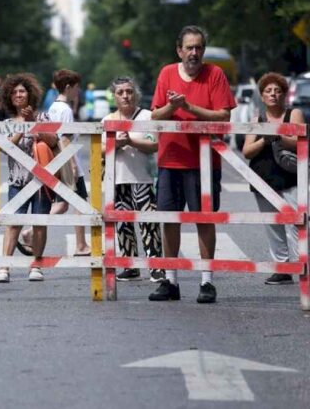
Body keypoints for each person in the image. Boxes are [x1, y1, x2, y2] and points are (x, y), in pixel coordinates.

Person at [149, 25, 235, 304]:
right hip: (170, 159)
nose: (194, 52)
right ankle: (170, 280)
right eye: (189, 47)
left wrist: (189, 107)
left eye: (199, 47)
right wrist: (173, 108)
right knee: (170, 220)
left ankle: (206, 281)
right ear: (179, 50)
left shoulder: (215, 74)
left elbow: (223, 116)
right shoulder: (166, 73)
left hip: (205, 161)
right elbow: (156, 115)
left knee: (204, 219)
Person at [0, 73, 58, 284]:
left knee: (40, 224)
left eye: (22, 91)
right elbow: (6, 148)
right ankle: (4, 267)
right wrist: (22, 127)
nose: (18, 95)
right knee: (13, 224)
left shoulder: (44, 117)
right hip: (17, 181)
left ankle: (37, 265)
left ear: (30, 94)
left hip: (41, 180)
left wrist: (34, 123)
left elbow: (53, 141)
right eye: (14, 92)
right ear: (9, 97)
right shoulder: (7, 122)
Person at [243, 73, 303, 285]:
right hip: (263, 178)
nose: (273, 95)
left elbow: (299, 142)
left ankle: (303, 264)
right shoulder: (256, 119)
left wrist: (277, 135)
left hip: (292, 175)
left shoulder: (294, 114)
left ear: (284, 94)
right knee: (273, 224)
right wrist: (263, 140)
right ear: (262, 95)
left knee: (299, 221)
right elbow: (247, 151)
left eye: (277, 91)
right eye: (268, 91)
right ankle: (282, 268)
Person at [101, 76, 163, 282]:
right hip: (117, 179)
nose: (125, 96)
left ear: (135, 93)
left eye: (129, 91)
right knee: (123, 223)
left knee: (148, 221)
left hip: (143, 177)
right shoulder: (108, 120)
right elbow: (100, 149)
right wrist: (116, 144)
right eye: (120, 93)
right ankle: (130, 264)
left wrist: (130, 140)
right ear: (114, 96)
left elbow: (154, 144)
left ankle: (155, 265)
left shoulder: (147, 116)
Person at [46, 69, 91, 256]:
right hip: (68, 162)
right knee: (80, 203)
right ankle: (81, 245)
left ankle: (31, 230)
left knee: (63, 204)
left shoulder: (53, 107)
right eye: (76, 88)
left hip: (59, 161)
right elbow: (65, 140)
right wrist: (72, 166)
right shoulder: (65, 110)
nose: (77, 91)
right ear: (67, 87)